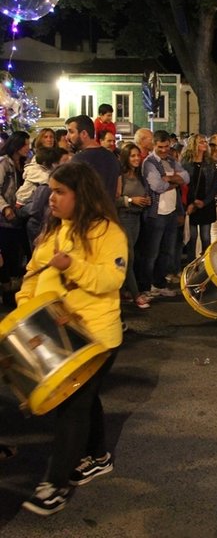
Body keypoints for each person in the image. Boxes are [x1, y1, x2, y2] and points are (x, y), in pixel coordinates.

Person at [17, 161, 127, 516]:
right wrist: (27, 309)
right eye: (51, 190)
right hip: (57, 335)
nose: (52, 198)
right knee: (85, 399)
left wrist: (72, 267)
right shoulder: (53, 232)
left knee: (72, 407)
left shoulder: (108, 232)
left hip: (95, 338)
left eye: (61, 192)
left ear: (82, 196)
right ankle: (98, 456)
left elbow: (111, 280)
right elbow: (32, 277)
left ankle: (55, 484)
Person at [139, 130, 189, 297]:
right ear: (154, 145)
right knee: (151, 252)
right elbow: (157, 186)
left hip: (171, 211)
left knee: (166, 251)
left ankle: (159, 283)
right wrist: (176, 181)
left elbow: (186, 177)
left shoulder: (171, 160)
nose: (164, 150)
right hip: (156, 213)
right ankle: (146, 287)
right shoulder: (149, 163)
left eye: (166, 146)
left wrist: (170, 178)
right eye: (160, 147)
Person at [117, 143, 152, 308]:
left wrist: (146, 201)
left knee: (130, 257)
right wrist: (131, 200)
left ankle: (123, 291)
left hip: (137, 220)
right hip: (123, 219)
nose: (137, 158)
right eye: (132, 156)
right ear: (126, 157)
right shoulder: (120, 176)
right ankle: (136, 294)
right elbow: (114, 199)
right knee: (128, 258)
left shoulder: (139, 176)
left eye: (138, 155)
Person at [0, 131, 31, 303]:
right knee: (7, 254)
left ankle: (13, 290)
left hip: (19, 218)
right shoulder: (5, 163)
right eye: (25, 144)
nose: (28, 148)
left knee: (16, 256)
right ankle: (7, 291)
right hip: (5, 220)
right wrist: (5, 208)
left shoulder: (24, 165)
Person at [180, 133, 217, 262]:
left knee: (206, 237)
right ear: (194, 145)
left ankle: (206, 263)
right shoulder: (186, 163)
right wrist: (191, 203)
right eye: (201, 142)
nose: (204, 144)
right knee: (192, 237)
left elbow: (214, 185)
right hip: (191, 204)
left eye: (205, 142)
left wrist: (205, 201)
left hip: (206, 203)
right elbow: (184, 185)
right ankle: (191, 263)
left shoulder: (209, 163)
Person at [69, 115, 121, 201]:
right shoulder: (112, 157)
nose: (68, 137)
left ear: (84, 134)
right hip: (109, 211)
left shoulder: (78, 160)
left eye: (71, 132)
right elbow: (118, 192)